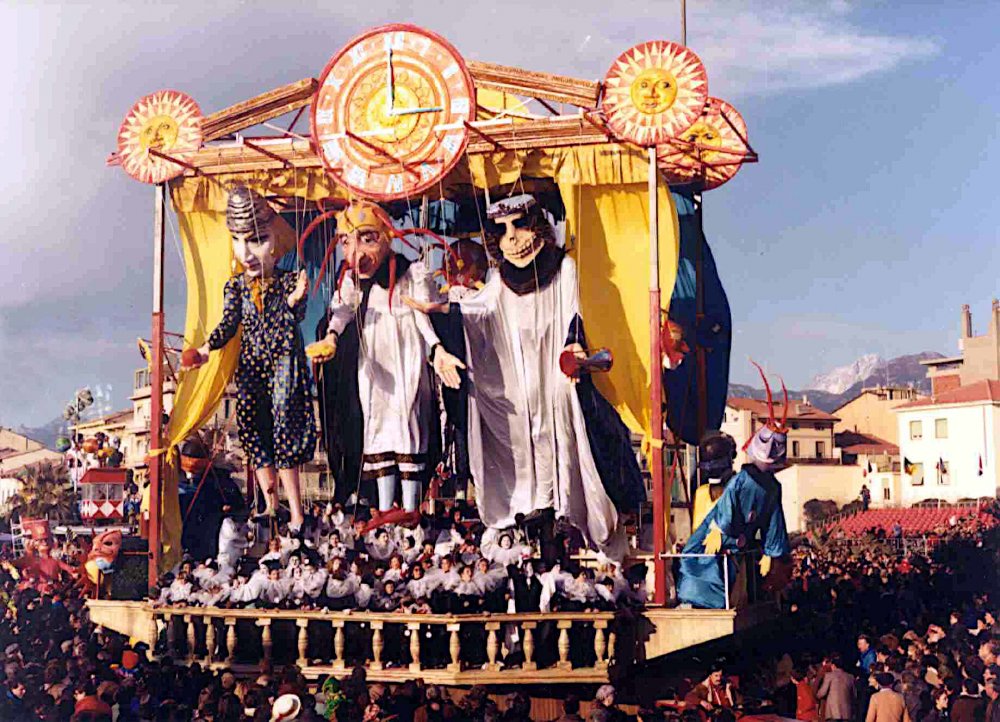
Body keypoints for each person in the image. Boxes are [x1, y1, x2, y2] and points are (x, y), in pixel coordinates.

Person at [408, 193, 644, 561]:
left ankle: (568, 521)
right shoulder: (501, 280)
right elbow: (477, 310)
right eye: (503, 231)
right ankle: (532, 519)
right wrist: (439, 310)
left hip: (554, 378)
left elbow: (573, 314)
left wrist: (574, 346)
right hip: (519, 387)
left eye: (520, 225)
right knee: (521, 443)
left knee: (565, 438)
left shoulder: (564, 269)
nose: (513, 238)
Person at [313, 200, 463, 513]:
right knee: (376, 422)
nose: (356, 250)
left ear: (387, 237)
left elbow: (422, 316)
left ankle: (409, 507)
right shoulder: (351, 280)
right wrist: (331, 337)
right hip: (372, 359)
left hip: (404, 356)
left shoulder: (410, 273)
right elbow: (341, 311)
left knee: (407, 421)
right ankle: (383, 507)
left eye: (368, 238)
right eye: (346, 241)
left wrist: (436, 349)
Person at [185, 185, 313, 533]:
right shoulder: (236, 287)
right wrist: (205, 349)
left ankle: (297, 513)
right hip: (253, 363)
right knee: (254, 428)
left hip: (284, 361)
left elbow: (295, 316)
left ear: (275, 241)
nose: (247, 253)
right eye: (238, 241)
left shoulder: (288, 281)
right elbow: (228, 323)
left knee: (285, 427)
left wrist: (293, 301)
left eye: (256, 240)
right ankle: (270, 504)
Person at [677, 363, 791, 608]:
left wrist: (771, 553)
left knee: (717, 565)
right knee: (699, 560)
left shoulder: (766, 486)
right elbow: (728, 507)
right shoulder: (748, 481)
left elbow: (773, 520)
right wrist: (720, 527)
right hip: (721, 532)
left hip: (732, 535)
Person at [817, 653, 855, 722]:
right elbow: (854, 695)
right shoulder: (850, 677)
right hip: (847, 713)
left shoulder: (829, 676)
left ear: (833, 666)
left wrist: (817, 695)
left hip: (833, 713)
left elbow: (822, 692)